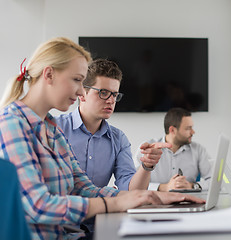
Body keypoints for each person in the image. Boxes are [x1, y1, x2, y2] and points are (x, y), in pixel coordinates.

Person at [0, 37, 204, 239]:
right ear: (49, 74)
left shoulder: (51, 127)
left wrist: (153, 196)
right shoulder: (12, 123)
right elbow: (39, 205)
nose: (80, 91)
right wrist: (113, 203)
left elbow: (82, 186)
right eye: (77, 80)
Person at [56, 58, 160, 190]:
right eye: (103, 93)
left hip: (102, 208)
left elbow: (130, 190)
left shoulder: (118, 139)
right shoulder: (55, 128)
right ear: (82, 93)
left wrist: (146, 166)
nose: (111, 100)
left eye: (115, 94)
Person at [134, 107, 212, 191]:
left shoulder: (198, 150)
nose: (193, 132)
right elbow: (133, 184)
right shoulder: (148, 149)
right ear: (172, 130)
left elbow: (216, 181)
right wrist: (164, 187)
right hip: (154, 201)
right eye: (188, 128)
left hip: (188, 201)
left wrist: (192, 186)